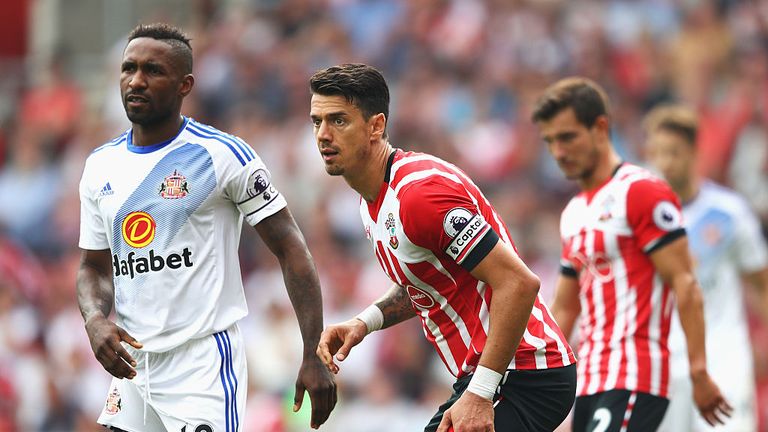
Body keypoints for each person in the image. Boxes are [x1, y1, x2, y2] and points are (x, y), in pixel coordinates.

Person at [76, 23, 336, 432]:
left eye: (153, 71)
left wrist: (312, 354)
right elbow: (93, 267)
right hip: (134, 365)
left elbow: (291, 248)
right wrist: (94, 319)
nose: (136, 81)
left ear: (185, 84)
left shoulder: (222, 155)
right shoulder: (99, 167)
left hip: (202, 364)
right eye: (129, 68)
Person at [310, 63, 577, 432]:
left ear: (376, 125)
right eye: (317, 121)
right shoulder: (371, 200)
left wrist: (481, 393)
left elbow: (519, 283)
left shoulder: (420, 196)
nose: (323, 134)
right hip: (492, 377)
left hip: (524, 373)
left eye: (338, 120)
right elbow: (427, 283)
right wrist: (365, 322)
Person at [531, 77, 732, 432]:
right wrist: (536, 376)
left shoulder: (642, 192)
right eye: (550, 142)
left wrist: (699, 371)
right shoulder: (574, 211)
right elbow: (565, 306)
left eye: (567, 137)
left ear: (600, 128)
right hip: (590, 380)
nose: (558, 152)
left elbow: (685, 282)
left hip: (635, 373)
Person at [643, 104, 768, 432]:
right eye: (658, 152)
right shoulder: (637, 219)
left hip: (723, 357)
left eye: (674, 152)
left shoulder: (730, 213)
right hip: (662, 363)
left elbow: (761, 285)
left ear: (696, 152)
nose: (665, 162)